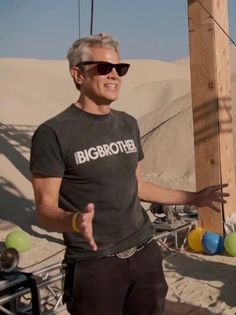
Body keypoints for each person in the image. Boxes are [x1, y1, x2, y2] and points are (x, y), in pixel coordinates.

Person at [30, 33, 229, 315]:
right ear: (78, 74)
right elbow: (44, 209)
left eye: (119, 68)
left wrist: (194, 197)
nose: (114, 75)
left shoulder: (127, 124)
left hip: (144, 252)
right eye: (103, 68)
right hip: (95, 263)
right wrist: (73, 221)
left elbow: (140, 187)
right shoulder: (54, 133)